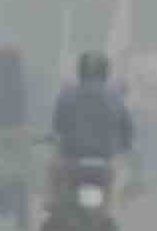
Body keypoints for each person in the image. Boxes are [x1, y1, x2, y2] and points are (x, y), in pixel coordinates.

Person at [44, 52, 134, 215]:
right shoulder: (114, 97)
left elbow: (57, 125)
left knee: (52, 168)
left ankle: (52, 201)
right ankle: (109, 209)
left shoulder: (68, 94)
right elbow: (127, 127)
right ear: (105, 72)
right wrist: (125, 147)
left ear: (81, 71)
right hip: (104, 159)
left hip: (72, 158)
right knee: (118, 178)